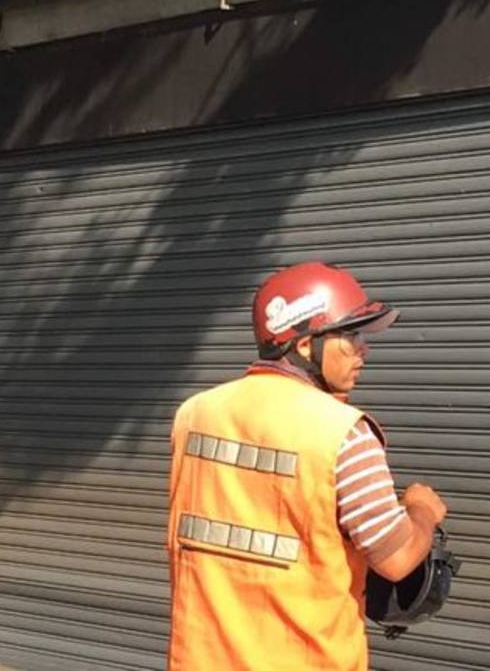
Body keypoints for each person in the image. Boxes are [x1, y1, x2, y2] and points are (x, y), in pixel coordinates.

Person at [166, 262, 448, 671]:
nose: (363, 350)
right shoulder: (342, 433)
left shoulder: (194, 415)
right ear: (303, 345)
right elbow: (398, 557)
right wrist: (422, 509)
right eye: (351, 336)